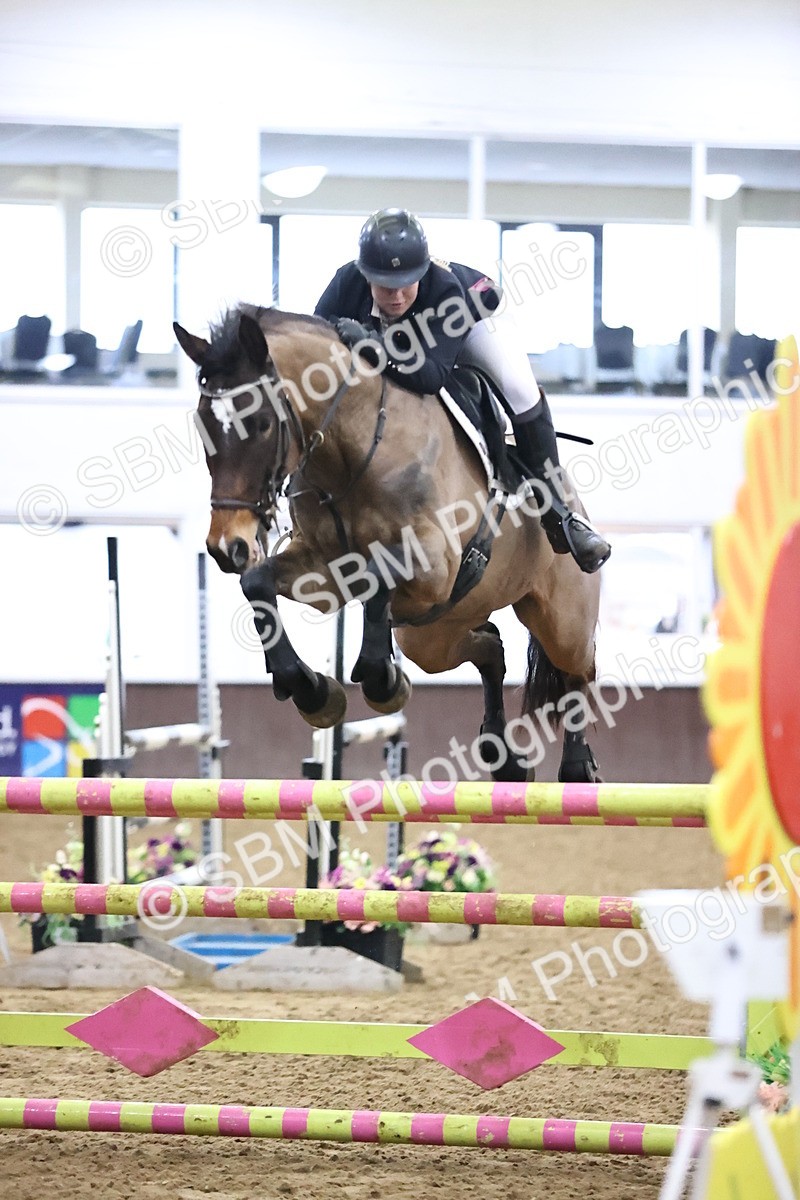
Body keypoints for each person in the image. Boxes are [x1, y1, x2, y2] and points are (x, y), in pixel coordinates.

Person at [315, 208, 611, 574]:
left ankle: (559, 514)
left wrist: (376, 347)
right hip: (404, 342)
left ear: (422, 272)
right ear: (365, 275)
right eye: (384, 285)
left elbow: (430, 377)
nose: (395, 295)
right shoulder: (347, 282)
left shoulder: (445, 291)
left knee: (519, 388)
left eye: (407, 282)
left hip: (472, 321)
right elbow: (320, 354)